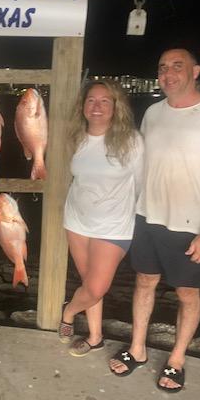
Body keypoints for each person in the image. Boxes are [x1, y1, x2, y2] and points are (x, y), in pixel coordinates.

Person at [108, 49, 200, 392]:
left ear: (196, 70)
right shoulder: (152, 113)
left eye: (177, 66)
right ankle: (138, 348)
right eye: (162, 67)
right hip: (147, 215)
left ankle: (177, 358)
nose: (168, 73)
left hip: (191, 224)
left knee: (187, 293)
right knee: (144, 281)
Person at [59, 79, 144, 356]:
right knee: (88, 282)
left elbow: (141, 183)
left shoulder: (131, 141)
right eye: (91, 100)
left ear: (115, 106)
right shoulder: (77, 137)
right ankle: (95, 337)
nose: (97, 106)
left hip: (113, 225)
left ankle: (69, 312)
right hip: (77, 220)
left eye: (104, 101)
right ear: (83, 106)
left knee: (96, 287)